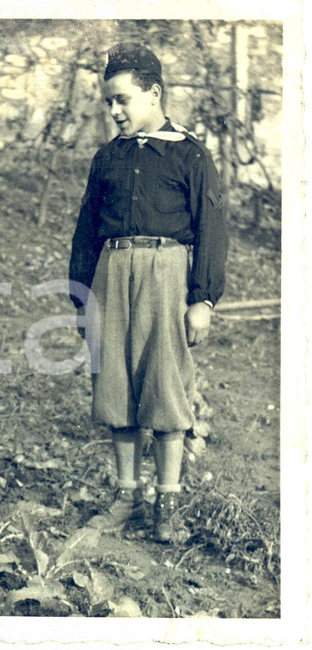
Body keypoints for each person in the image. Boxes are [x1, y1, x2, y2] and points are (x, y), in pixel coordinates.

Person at [68, 43, 228, 542]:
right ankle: (126, 496)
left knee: (164, 383)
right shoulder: (107, 158)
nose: (114, 111)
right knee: (116, 386)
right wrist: (81, 298)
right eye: (108, 102)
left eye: (123, 100)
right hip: (112, 272)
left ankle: (167, 504)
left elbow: (213, 228)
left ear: (154, 93)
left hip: (167, 274)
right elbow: (85, 231)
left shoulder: (189, 153)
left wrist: (202, 299)